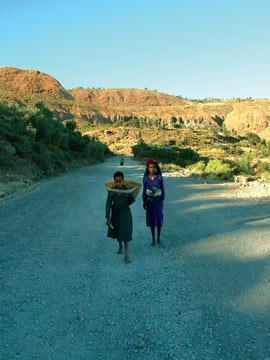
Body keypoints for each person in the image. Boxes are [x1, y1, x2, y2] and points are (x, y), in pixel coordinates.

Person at [106, 171, 135, 263]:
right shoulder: (111, 191)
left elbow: (132, 200)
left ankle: (126, 255)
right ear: (114, 181)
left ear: (123, 180)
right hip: (115, 213)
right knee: (117, 231)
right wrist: (108, 217)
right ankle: (120, 246)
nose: (118, 183)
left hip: (125, 213)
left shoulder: (127, 190)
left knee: (125, 232)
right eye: (116, 181)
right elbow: (108, 204)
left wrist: (125, 205)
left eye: (120, 181)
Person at [142, 159, 165, 246]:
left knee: (159, 218)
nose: (152, 169)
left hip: (158, 200)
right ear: (148, 168)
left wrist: (162, 199)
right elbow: (144, 190)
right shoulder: (146, 178)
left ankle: (159, 239)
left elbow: (162, 189)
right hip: (149, 201)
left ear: (156, 168)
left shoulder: (159, 177)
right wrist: (144, 201)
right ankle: (153, 239)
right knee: (151, 219)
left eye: (153, 167)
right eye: (150, 167)